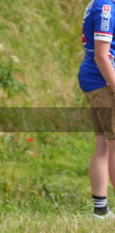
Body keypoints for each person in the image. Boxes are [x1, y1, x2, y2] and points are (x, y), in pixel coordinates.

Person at [79, 0, 115, 219]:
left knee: (104, 144)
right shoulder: (106, 7)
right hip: (102, 81)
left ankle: (100, 209)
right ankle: (100, 209)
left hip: (97, 80)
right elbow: (101, 55)